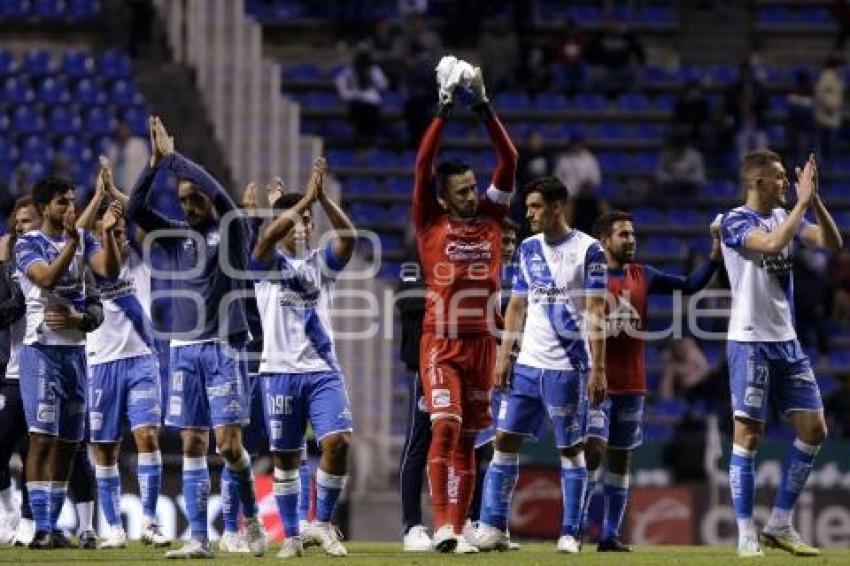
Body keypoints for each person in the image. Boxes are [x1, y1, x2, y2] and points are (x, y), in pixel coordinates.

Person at [126, 116, 266, 559]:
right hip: (184, 349)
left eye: (194, 199)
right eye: (183, 200)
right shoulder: (175, 237)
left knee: (229, 447)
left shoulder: (233, 229)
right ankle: (200, 540)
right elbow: (133, 212)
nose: (187, 207)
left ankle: (252, 522)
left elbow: (225, 199)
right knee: (191, 443)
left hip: (224, 346)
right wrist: (154, 164)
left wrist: (176, 159)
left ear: (208, 198)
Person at [414, 57, 517, 553]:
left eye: (474, 187)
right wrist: (443, 111)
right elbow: (421, 165)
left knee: (473, 440)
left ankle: (458, 528)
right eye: (462, 191)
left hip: (484, 343)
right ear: (444, 197)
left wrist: (485, 110)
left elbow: (510, 162)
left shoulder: (493, 216)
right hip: (441, 341)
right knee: (447, 427)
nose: (473, 195)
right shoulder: (430, 222)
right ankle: (443, 525)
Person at [472, 176, 607, 554]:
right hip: (527, 365)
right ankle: (493, 526)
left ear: (556, 207)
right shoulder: (528, 249)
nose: (528, 213)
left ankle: (569, 532)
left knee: (570, 449)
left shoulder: (589, 250)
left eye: (535, 207)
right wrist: (504, 357)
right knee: (503, 441)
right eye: (527, 206)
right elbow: (516, 305)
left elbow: (597, 312)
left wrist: (598, 369)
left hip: (568, 367)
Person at [718, 151, 842, 557]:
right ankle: (745, 533)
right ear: (756, 183)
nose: (784, 184)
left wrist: (815, 200)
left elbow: (831, 242)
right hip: (749, 339)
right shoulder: (735, 221)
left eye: (786, 180)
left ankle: (779, 523)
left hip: (786, 340)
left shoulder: (782, 216)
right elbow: (771, 246)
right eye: (777, 178)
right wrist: (802, 205)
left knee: (815, 429)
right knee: (748, 435)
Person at [581, 211, 720, 551]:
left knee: (621, 458)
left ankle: (609, 535)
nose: (631, 239)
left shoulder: (644, 274)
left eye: (632, 234)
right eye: (623, 234)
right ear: (604, 241)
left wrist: (715, 252)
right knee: (592, 450)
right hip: (596, 381)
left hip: (632, 383)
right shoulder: (586, 276)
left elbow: (690, 285)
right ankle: (574, 526)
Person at [250, 157, 357, 559]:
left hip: (322, 370)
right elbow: (263, 241)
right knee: (286, 458)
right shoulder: (264, 264)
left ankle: (323, 524)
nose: (302, 226)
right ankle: (292, 535)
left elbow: (349, 239)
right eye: (295, 221)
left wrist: (322, 199)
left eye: (307, 220)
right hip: (278, 371)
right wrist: (292, 206)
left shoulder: (320, 264)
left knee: (339, 442)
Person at [13, 175, 121, 549]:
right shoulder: (28, 243)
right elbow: (44, 279)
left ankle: (53, 526)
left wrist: (105, 234)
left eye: (73, 201)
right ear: (45, 208)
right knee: (41, 439)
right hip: (40, 350)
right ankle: (41, 526)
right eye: (63, 202)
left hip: (75, 354)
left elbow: (109, 270)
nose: (70, 208)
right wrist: (72, 244)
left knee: (69, 444)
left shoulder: (82, 239)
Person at [71, 160, 169, 549]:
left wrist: (115, 196)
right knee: (105, 448)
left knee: (147, 436)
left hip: (142, 359)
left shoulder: (140, 260)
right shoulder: (87, 265)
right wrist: (97, 200)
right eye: (111, 232)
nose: (122, 236)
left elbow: (150, 219)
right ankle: (113, 527)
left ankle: (149, 521)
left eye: (123, 230)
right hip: (100, 364)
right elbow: (76, 233)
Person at [466, 217, 520, 549]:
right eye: (505, 241)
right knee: (480, 447)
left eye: (513, 241)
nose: (509, 248)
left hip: (515, 372)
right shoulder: (482, 275)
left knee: (504, 449)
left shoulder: (526, 274)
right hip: (484, 369)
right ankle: (471, 521)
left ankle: (495, 523)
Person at [396, 251, 430, 551]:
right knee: (417, 445)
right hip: (423, 366)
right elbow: (408, 302)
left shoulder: (462, 258)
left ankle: (467, 522)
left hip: (458, 362)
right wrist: (449, 297)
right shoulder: (413, 261)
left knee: (468, 446)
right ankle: (412, 525)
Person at [0, 205, 26, 545]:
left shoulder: (41, 269)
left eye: (27, 221)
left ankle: (33, 523)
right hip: (7, 368)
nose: (20, 228)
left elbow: (14, 305)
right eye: (16, 223)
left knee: (40, 449)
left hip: (29, 369)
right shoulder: (6, 268)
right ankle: (9, 510)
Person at [335, 47, 389, 149]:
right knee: (361, 127)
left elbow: (383, 84)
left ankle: (367, 142)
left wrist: (347, 95)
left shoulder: (373, 70)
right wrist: (347, 95)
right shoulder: (350, 70)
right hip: (358, 102)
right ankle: (361, 142)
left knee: (369, 126)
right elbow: (340, 81)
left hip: (369, 102)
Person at [655, 135, 707, 204]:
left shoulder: (695, 155)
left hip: (690, 187)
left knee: (701, 188)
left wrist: (688, 179)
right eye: (675, 147)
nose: (678, 149)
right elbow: (659, 175)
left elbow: (700, 176)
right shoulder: (665, 155)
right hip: (671, 187)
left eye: (680, 147)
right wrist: (672, 179)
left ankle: (694, 207)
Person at [813, 55, 844, 165]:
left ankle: (829, 167)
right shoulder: (826, 76)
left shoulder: (838, 77)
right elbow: (820, 93)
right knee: (824, 146)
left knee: (831, 148)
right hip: (825, 116)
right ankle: (824, 171)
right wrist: (828, 106)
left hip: (834, 117)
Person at [107, 119, 151, 192]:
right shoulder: (113, 148)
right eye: (120, 130)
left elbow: (147, 166)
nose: (122, 132)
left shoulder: (139, 144)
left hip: (134, 187)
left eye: (125, 129)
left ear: (129, 130)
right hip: (117, 190)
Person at [554, 133, 601, 198]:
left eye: (578, 143)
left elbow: (595, 180)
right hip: (567, 194)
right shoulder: (563, 159)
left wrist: (584, 186)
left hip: (584, 195)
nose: (576, 146)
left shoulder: (590, 159)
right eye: (574, 143)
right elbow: (556, 178)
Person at [786, 71, 814, 166]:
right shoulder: (793, 95)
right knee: (797, 155)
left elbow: (810, 114)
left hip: (806, 130)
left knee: (806, 153)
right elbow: (795, 113)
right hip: (796, 130)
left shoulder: (809, 95)